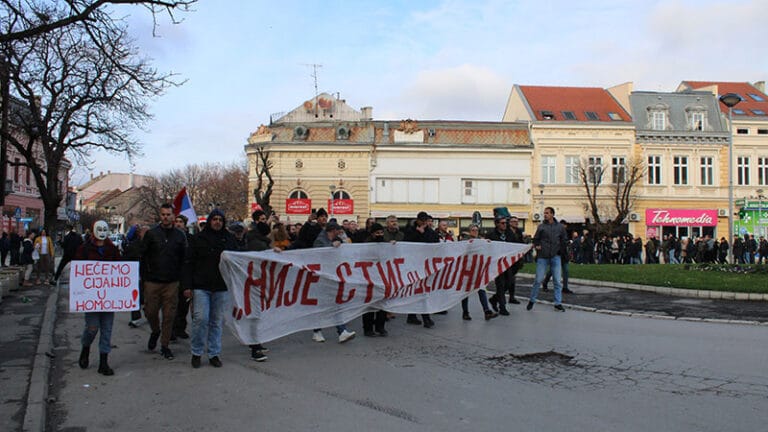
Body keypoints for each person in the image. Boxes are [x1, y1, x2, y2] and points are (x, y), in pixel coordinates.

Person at [183, 209, 239, 368]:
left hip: (221, 286)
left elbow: (238, 258)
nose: (217, 222)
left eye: (220, 219)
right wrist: (187, 285)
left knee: (216, 322)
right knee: (201, 319)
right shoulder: (198, 239)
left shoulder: (229, 239)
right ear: (209, 221)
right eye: (214, 219)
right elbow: (189, 262)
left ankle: (214, 353)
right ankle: (197, 352)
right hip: (201, 285)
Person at [140, 203, 188, 360]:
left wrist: (183, 281)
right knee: (150, 312)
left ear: (173, 216)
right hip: (152, 281)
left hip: (172, 282)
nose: (166, 217)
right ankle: (155, 330)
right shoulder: (152, 234)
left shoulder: (180, 236)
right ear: (159, 216)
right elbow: (143, 255)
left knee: (169, 315)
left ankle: (165, 345)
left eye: (169, 214)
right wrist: (144, 278)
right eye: (163, 214)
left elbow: (184, 260)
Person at [76, 220, 121, 376]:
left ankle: (103, 362)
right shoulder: (84, 249)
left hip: (109, 298)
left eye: (104, 229)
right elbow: (78, 271)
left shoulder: (112, 249)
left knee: (107, 330)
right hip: (91, 298)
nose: (101, 231)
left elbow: (119, 269)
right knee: (92, 328)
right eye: (99, 229)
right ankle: (86, 347)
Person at [311, 221, 356, 343]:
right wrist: (332, 246)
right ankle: (317, 331)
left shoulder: (336, 240)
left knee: (335, 304)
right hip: (322, 277)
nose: (340, 233)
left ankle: (342, 331)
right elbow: (317, 254)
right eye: (338, 230)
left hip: (332, 275)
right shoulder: (320, 240)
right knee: (322, 306)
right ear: (333, 230)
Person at [527, 207, 568, 312]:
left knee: (557, 281)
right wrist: (537, 246)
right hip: (543, 257)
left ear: (552, 214)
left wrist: (560, 251)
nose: (545, 215)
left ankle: (557, 303)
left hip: (555, 256)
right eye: (544, 213)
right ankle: (532, 299)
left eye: (547, 213)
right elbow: (535, 239)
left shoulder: (560, 227)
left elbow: (564, 240)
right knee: (538, 279)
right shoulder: (541, 227)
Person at [404, 211, 438, 328]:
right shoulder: (410, 230)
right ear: (417, 220)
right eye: (422, 220)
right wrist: (419, 234)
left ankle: (412, 315)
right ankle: (425, 318)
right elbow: (406, 244)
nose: (424, 222)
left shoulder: (430, 232)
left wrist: (424, 233)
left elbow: (435, 244)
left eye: (426, 220)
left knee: (422, 291)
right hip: (413, 265)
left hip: (426, 265)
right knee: (417, 290)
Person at [460, 224, 498, 321]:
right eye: (473, 230)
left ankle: (487, 311)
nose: (475, 232)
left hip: (477, 270)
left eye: (476, 230)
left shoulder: (481, 241)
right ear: (469, 231)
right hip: (467, 270)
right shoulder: (465, 241)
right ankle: (465, 312)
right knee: (466, 292)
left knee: (481, 289)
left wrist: (487, 244)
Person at [361, 223, 389, 336]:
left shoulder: (385, 244)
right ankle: (368, 328)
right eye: (377, 233)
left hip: (382, 277)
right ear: (372, 234)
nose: (380, 235)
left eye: (381, 232)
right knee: (369, 305)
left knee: (382, 304)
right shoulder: (366, 245)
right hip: (369, 277)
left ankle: (380, 327)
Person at [171, 215, 193, 341]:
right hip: (173, 275)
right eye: (177, 222)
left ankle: (181, 328)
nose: (178, 224)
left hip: (186, 276)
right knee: (172, 305)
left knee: (183, 306)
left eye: (181, 222)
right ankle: (171, 330)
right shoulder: (171, 237)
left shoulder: (190, 239)